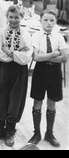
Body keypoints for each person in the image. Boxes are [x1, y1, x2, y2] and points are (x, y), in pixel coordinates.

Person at [0, 4, 32, 147]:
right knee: (0, 97)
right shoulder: (0, 33)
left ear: (22, 18)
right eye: (11, 17)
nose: (13, 20)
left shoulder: (25, 34)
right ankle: (0, 128)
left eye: (16, 17)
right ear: (6, 17)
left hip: (19, 71)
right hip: (2, 69)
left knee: (15, 98)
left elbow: (26, 57)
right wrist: (16, 54)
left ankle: (10, 130)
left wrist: (10, 52)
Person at [28, 9, 68, 147]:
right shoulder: (36, 36)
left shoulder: (59, 37)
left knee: (52, 102)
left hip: (55, 73)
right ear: (40, 21)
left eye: (52, 20)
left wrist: (47, 56)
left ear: (55, 22)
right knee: (37, 102)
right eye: (45, 20)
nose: (49, 23)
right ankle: (36, 133)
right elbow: (36, 57)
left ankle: (49, 133)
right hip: (40, 72)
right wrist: (54, 53)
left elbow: (64, 58)